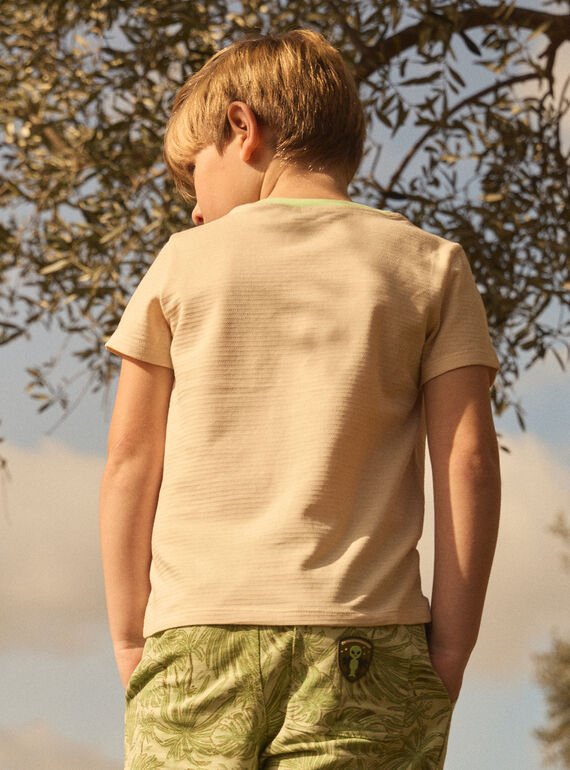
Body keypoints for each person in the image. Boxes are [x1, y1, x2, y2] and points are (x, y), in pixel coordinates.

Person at [99, 28, 501, 770]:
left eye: (195, 173)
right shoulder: (431, 265)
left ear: (242, 129)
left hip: (197, 632)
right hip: (367, 638)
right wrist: (450, 646)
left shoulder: (182, 263)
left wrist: (130, 637)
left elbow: (130, 461)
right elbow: (468, 462)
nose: (195, 209)